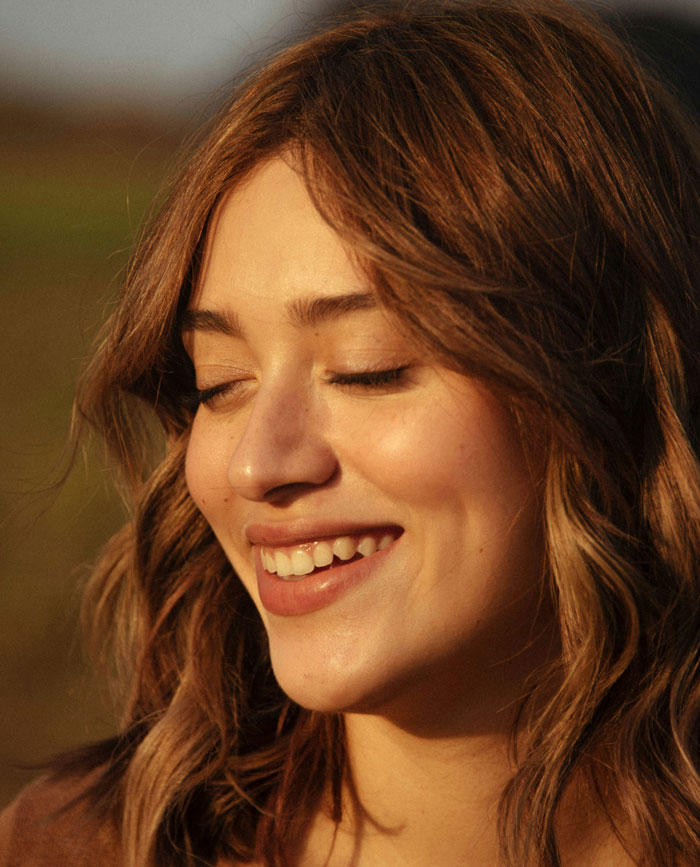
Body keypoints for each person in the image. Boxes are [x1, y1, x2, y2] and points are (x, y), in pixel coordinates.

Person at [2, 0, 699, 864]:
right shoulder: (80, 845)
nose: (259, 461)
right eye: (219, 384)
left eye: (366, 368)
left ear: (606, 385)